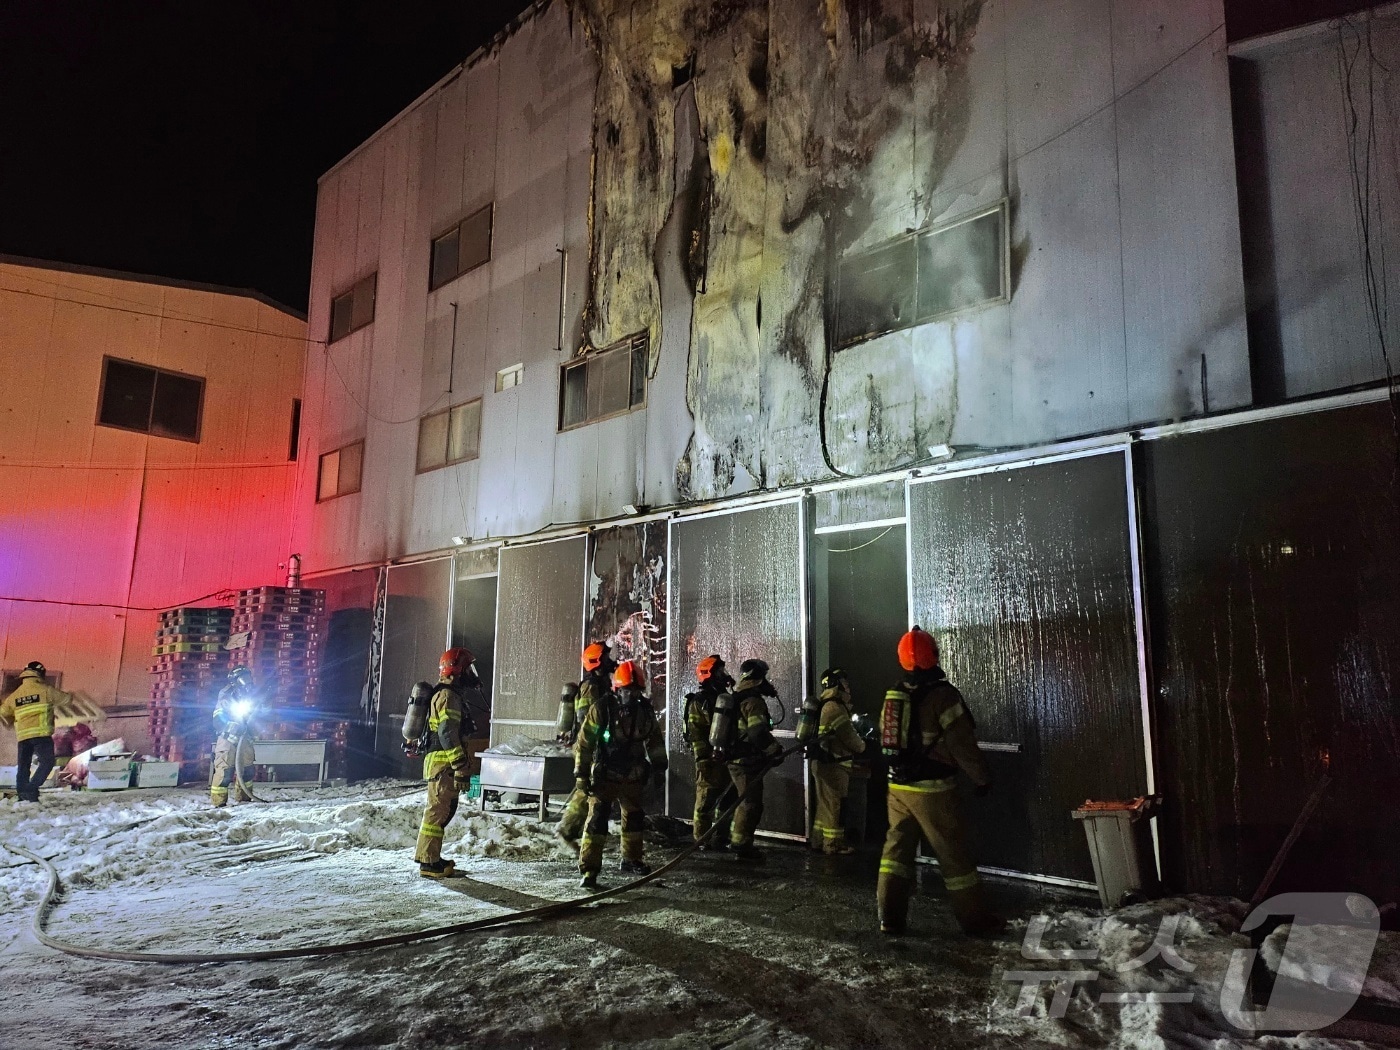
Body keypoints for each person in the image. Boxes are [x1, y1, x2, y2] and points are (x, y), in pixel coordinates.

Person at [877, 627, 1002, 936]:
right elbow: (962, 745)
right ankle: (976, 920)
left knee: (895, 853)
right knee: (954, 856)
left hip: (897, 787)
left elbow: (886, 737)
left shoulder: (894, 694)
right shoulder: (943, 696)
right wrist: (982, 778)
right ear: (932, 654)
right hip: (934, 790)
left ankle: (889, 919)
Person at [573, 660, 667, 889]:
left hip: (633, 775)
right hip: (606, 775)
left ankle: (632, 860)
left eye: (635, 691)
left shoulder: (644, 711)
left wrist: (659, 767)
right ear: (617, 689)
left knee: (634, 820)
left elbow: (654, 741)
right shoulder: (602, 709)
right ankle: (589, 870)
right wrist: (581, 774)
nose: (631, 695)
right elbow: (585, 744)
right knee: (597, 821)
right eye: (627, 690)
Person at [414, 647, 480, 878]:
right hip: (444, 766)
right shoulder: (448, 697)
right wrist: (460, 766)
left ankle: (432, 857)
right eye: (468, 668)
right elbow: (447, 734)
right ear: (458, 669)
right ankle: (428, 863)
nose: (471, 673)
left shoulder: (448, 694)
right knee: (437, 812)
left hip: (442, 765)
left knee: (442, 812)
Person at [555, 641, 617, 850]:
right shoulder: (591, 686)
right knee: (588, 789)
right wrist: (598, 745)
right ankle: (567, 831)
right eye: (606, 657)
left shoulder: (602, 684)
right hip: (590, 745)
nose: (611, 661)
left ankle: (573, 830)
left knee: (590, 789)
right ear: (597, 661)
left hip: (595, 744)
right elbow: (586, 719)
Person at [723, 658, 783, 861]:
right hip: (745, 761)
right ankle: (740, 845)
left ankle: (739, 841)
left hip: (739, 759)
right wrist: (774, 750)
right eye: (764, 677)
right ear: (758, 678)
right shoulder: (753, 701)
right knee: (750, 804)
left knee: (746, 802)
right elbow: (757, 732)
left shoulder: (739, 696)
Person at [810, 667, 866, 855]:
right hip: (834, 766)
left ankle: (818, 840)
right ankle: (833, 845)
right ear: (834, 683)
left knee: (825, 805)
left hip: (823, 764)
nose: (847, 686)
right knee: (835, 805)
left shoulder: (826, 704)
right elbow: (850, 738)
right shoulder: (834, 707)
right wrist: (863, 746)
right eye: (844, 682)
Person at [684, 654, 735, 850]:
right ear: (708, 675)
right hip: (708, 759)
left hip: (726, 756)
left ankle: (722, 837)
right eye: (720, 672)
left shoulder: (724, 698)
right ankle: (701, 840)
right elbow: (695, 734)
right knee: (705, 801)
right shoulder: (700, 701)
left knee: (728, 799)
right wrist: (703, 759)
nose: (724, 675)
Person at [1, 662, 67, 802]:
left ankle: (23, 795)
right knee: (47, 762)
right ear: (40, 673)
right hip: (41, 735)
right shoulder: (45, 690)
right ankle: (31, 788)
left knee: (23, 766)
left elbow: (3, 711)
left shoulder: (15, 695)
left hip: (23, 736)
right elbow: (66, 699)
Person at [210, 666, 259, 807]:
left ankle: (244, 799)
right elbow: (217, 719)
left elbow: (258, 715)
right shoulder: (226, 696)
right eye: (244, 679)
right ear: (235, 681)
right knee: (225, 771)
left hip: (245, 737)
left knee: (248, 770)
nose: (247, 682)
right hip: (228, 738)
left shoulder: (251, 695)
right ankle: (218, 803)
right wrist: (228, 728)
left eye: (248, 678)